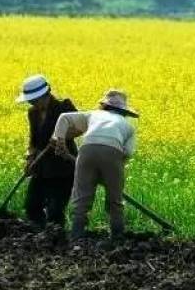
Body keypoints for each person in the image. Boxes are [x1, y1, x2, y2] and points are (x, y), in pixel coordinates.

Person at [52, 89, 138, 240]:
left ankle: (77, 234)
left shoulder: (94, 114)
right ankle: (117, 236)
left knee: (82, 195)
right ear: (123, 111)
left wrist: (60, 140)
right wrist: (113, 173)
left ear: (104, 106)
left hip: (87, 150)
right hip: (113, 152)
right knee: (115, 198)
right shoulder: (128, 127)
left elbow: (64, 118)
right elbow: (128, 152)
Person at [16, 74, 77, 228]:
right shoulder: (33, 113)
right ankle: (39, 239)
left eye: (33, 100)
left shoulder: (64, 107)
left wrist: (61, 137)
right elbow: (33, 140)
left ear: (44, 95)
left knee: (55, 210)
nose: (30, 103)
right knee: (32, 207)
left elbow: (80, 128)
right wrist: (30, 158)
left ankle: (57, 240)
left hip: (63, 165)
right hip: (41, 167)